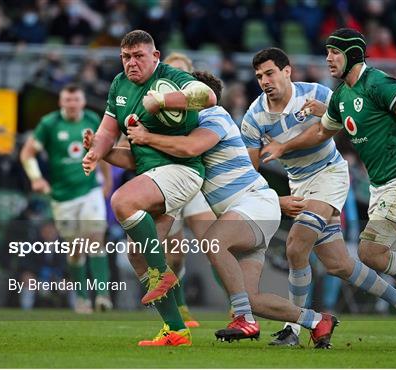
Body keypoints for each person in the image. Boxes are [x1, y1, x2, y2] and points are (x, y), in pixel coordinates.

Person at [90, 71, 340, 349]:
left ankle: (243, 318)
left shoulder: (214, 116)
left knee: (213, 241)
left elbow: (191, 147)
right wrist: (102, 151)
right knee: (252, 298)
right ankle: (317, 321)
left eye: (183, 97)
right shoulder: (185, 130)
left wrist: (148, 137)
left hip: (252, 204)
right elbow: (151, 163)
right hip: (248, 211)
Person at [263, 29, 396, 350]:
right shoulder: (342, 96)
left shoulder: (378, 84)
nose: (328, 58)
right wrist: (282, 146)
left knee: (370, 252)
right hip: (381, 188)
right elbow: (320, 132)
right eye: (327, 52)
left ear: (352, 55)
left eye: (335, 52)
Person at [241, 47, 396, 347]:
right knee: (340, 264)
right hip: (298, 184)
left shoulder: (316, 93)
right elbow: (250, 172)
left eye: (270, 73)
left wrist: (300, 136)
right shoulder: (253, 117)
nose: (264, 80)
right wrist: (275, 199)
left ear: (287, 71)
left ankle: (295, 327)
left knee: (295, 246)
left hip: (330, 174)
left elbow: (341, 127)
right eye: (259, 76)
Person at [82, 30, 216, 347]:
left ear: (155, 56)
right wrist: (95, 151)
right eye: (126, 57)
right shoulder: (119, 84)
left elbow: (208, 96)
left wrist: (161, 100)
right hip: (151, 175)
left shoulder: (172, 76)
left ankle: (166, 275)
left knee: (122, 200)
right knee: (136, 255)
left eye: (138, 56)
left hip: (182, 171)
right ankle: (175, 329)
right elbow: (106, 132)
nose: (131, 63)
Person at [20, 83, 113, 314]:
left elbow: (101, 153)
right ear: (61, 102)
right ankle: (82, 298)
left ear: (82, 101)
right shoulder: (49, 124)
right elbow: (27, 153)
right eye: (67, 100)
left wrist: (107, 182)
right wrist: (36, 178)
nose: (72, 104)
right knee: (76, 249)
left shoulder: (92, 119)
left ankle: (102, 295)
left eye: (76, 100)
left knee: (95, 238)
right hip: (62, 196)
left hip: (90, 188)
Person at [160, 52, 216, 328]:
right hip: (164, 186)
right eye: (170, 71)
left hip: (193, 183)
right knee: (175, 253)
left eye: (181, 71)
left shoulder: (202, 108)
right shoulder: (154, 107)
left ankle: (239, 308)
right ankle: (179, 306)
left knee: (215, 242)